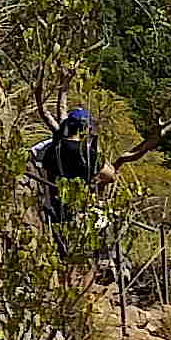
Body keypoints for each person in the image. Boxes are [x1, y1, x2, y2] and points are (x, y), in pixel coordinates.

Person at [34, 103, 109, 267]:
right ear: (86, 129)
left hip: (54, 208)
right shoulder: (87, 153)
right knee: (100, 226)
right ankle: (101, 265)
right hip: (81, 209)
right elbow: (110, 175)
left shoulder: (53, 149)